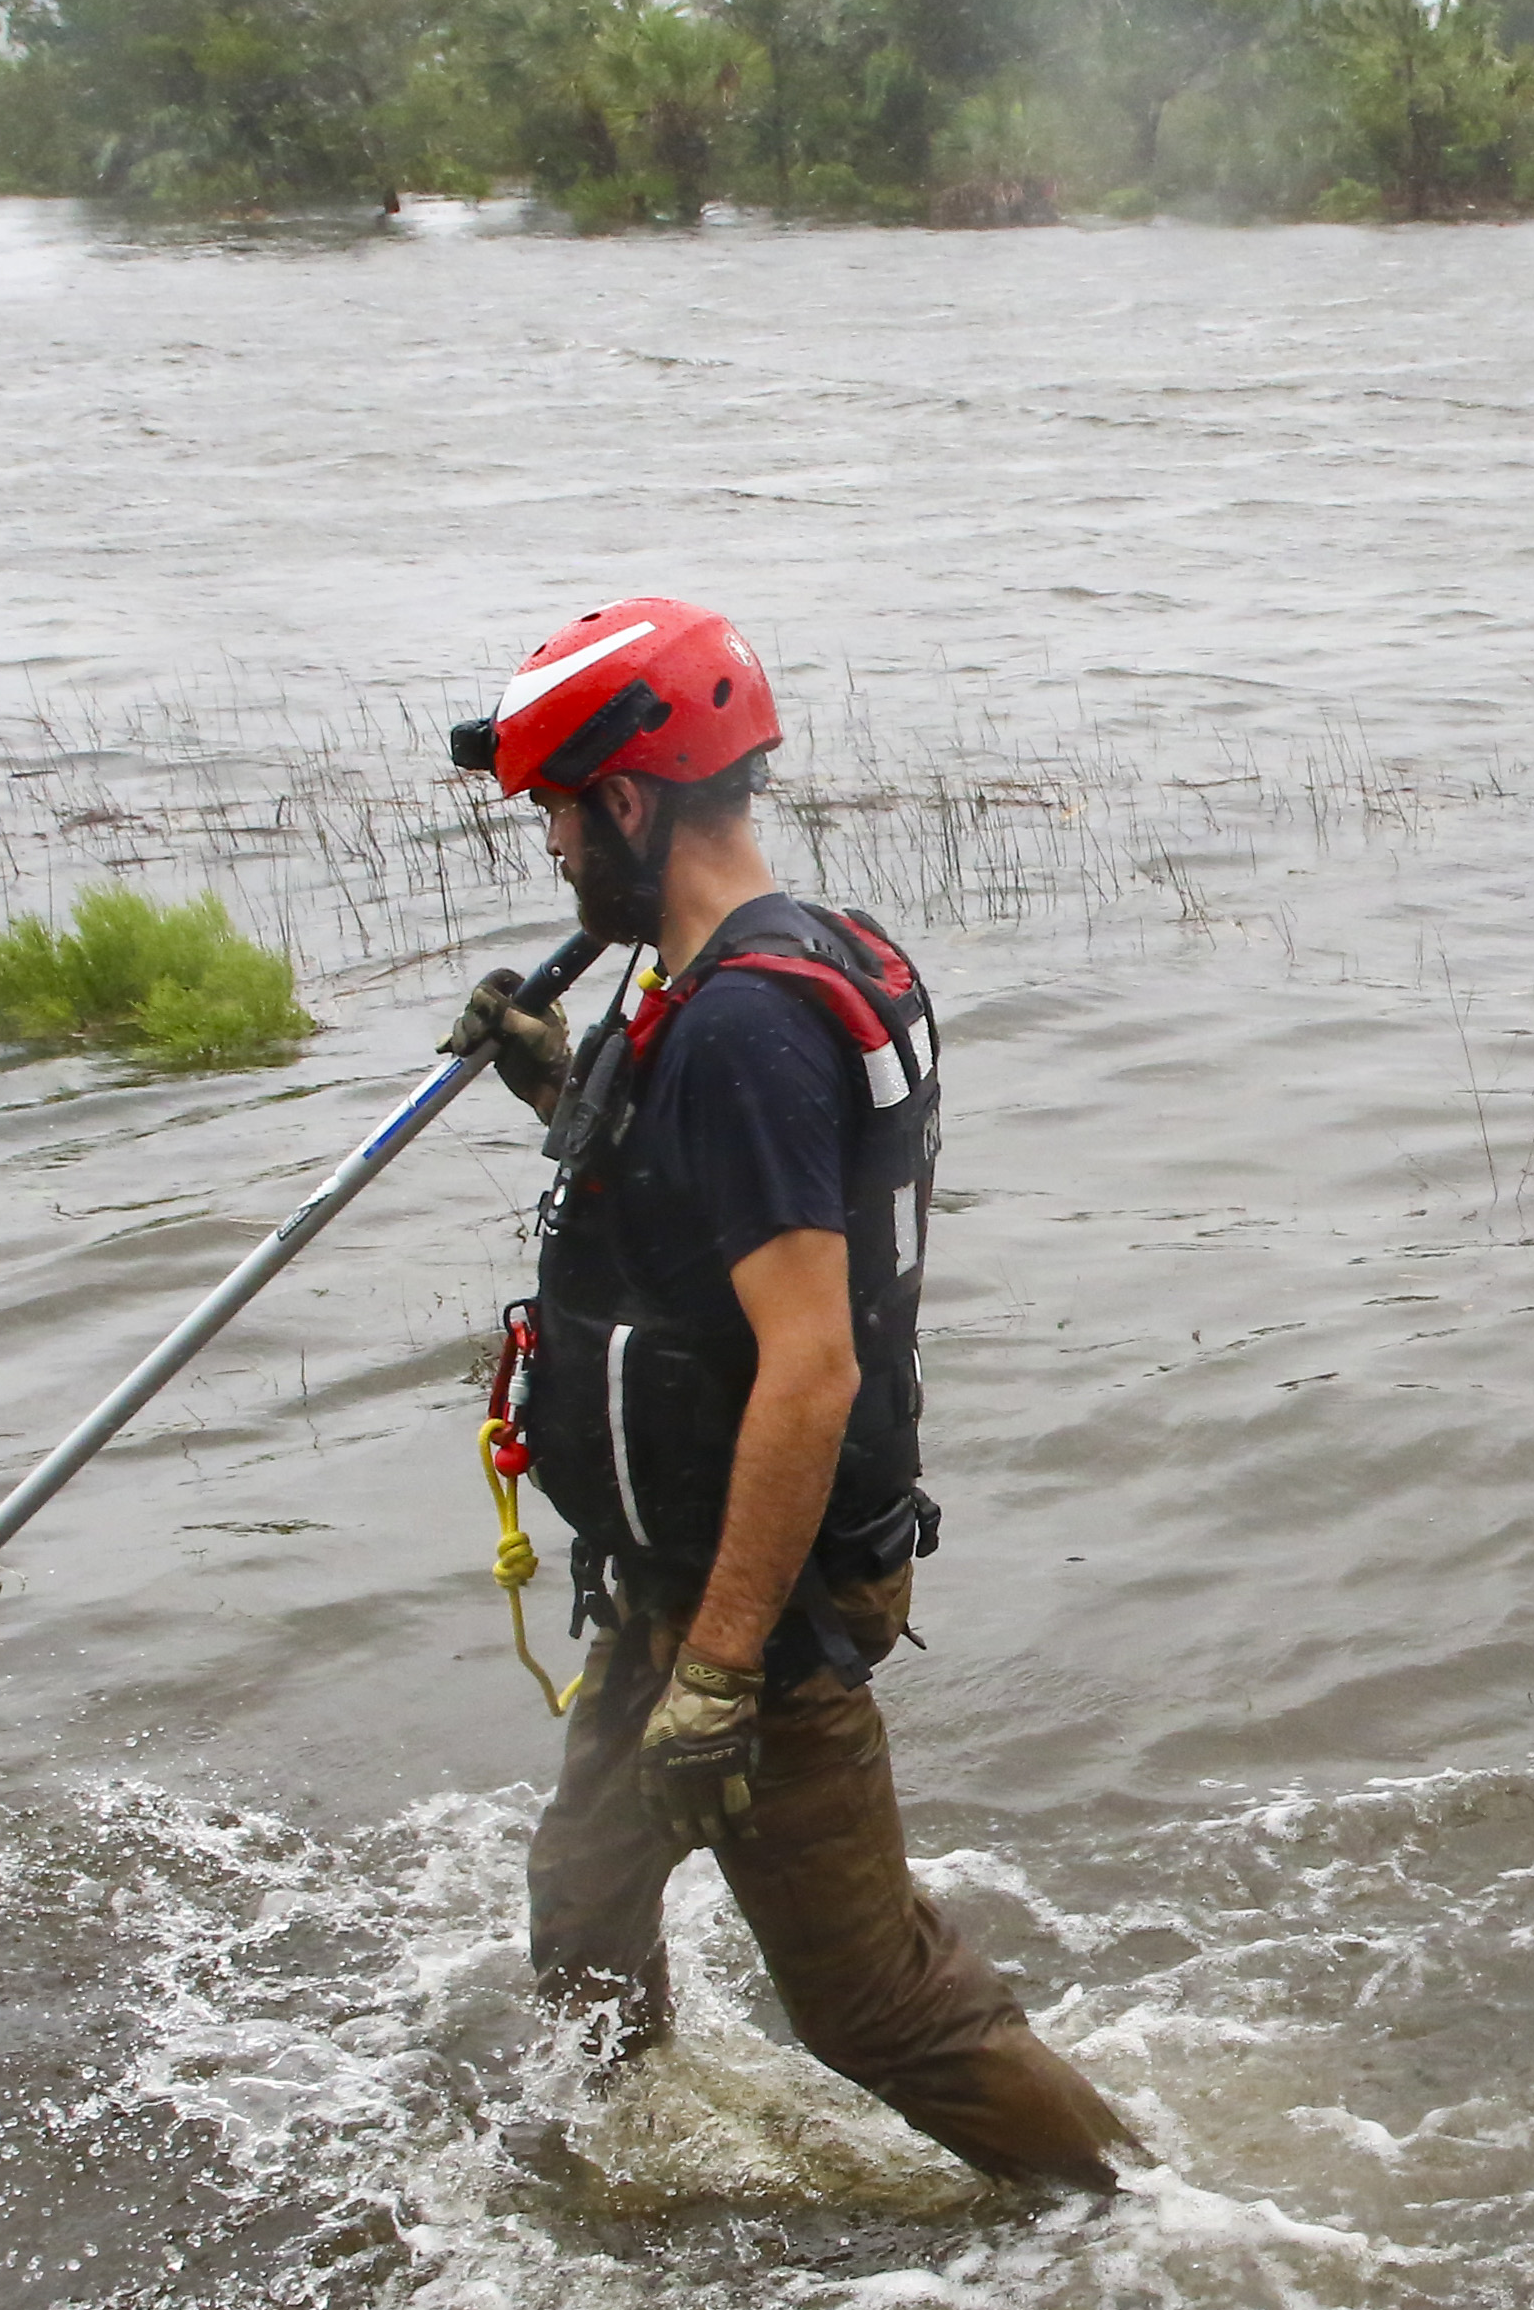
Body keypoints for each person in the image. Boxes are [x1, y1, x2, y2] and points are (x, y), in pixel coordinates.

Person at [439, 596, 1137, 2193]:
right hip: (682, 1573)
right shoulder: (767, 966)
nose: (550, 853)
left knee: (874, 2003)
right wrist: (561, 1086)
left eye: (555, 812)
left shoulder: (746, 1022)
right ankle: (624, 2164)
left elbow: (808, 1363)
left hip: (760, 1599)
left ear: (626, 797)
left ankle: (1142, 2227)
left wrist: (724, 1672)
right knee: (587, 1893)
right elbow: (709, 1220)